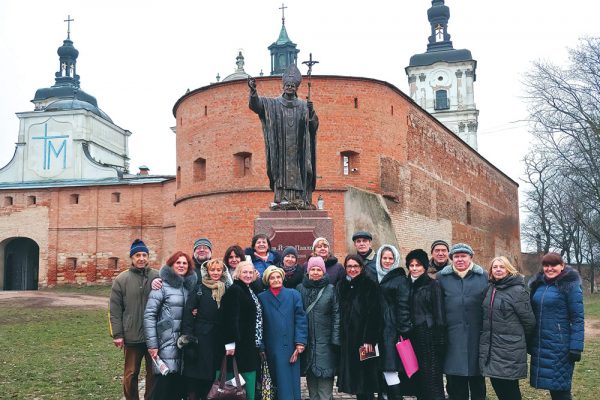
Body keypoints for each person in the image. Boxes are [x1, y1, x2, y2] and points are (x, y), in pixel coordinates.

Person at [248, 63, 319, 208]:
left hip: (299, 150)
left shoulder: (304, 105)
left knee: (306, 169)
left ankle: (301, 199)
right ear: (283, 86)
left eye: (293, 86)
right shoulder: (273, 104)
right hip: (281, 150)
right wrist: (253, 91)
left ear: (296, 88)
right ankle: (281, 199)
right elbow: (257, 106)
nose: (290, 87)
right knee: (280, 173)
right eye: (288, 85)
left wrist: (311, 114)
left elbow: (313, 127)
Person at [529, 252, 584, 400]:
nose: (549, 268)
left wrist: (576, 347)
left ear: (562, 266)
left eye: (553, 265)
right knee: (553, 387)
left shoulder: (570, 286)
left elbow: (578, 318)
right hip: (541, 343)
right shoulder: (538, 285)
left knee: (561, 389)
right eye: (546, 265)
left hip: (560, 345)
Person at [479, 256, 535, 400]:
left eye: (502, 267)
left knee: (510, 391)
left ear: (509, 269)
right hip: (492, 348)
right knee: (498, 386)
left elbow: (529, 322)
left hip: (510, 350)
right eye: (495, 267)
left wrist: (517, 340)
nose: (498, 270)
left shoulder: (517, 291)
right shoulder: (491, 288)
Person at [436, 243, 488, 400]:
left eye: (463, 256)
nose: (460, 259)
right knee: (455, 382)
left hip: (476, 335)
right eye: (456, 256)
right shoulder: (441, 278)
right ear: (451, 259)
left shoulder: (483, 276)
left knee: (477, 380)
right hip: (452, 335)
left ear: (470, 257)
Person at [143, 251, 198, 400]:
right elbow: (149, 315)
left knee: (177, 388)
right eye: (178, 263)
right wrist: (152, 345)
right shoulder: (161, 286)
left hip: (183, 344)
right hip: (165, 343)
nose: (181, 265)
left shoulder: (190, 288)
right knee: (162, 386)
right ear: (171, 265)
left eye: (184, 263)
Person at [109, 239, 159, 400]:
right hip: (132, 336)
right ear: (132, 258)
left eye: (144, 255)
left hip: (154, 338)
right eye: (138, 255)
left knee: (154, 374)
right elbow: (115, 310)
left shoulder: (157, 276)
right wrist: (117, 334)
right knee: (131, 374)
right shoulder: (121, 280)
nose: (141, 258)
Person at [180, 259, 233, 400]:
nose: (215, 273)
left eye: (218, 270)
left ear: (222, 271)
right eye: (212, 270)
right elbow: (188, 314)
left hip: (218, 339)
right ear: (207, 271)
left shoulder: (226, 289)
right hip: (201, 337)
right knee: (196, 377)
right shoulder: (199, 289)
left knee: (212, 377)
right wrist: (189, 340)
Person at [259, 265, 308, 400]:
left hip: (290, 347)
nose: (276, 280)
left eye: (278, 277)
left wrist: (300, 342)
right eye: (272, 278)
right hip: (271, 348)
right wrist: (261, 346)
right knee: (274, 384)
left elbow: (301, 319)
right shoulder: (262, 298)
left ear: (282, 277)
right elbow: (259, 324)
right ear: (267, 280)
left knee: (290, 385)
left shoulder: (293, 294)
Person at [337, 254, 381, 400]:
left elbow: (374, 314)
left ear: (361, 268)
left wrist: (369, 339)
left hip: (364, 340)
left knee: (367, 379)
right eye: (349, 266)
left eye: (355, 266)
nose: (352, 269)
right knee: (356, 380)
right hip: (349, 340)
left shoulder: (369, 284)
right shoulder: (342, 285)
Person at [296, 256, 341, 400]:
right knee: (312, 391)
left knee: (325, 392)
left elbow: (337, 316)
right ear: (308, 271)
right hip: (308, 345)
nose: (315, 272)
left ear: (323, 271)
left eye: (318, 269)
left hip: (326, 345)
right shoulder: (300, 289)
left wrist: (335, 341)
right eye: (312, 269)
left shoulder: (331, 290)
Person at [406, 249, 446, 400]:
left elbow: (439, 313)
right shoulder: (408, 284)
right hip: (413, 336)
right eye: (411, 265)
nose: (415, 268)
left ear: (424, 267)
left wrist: (440, 339)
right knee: (418, 379)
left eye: (418, 265)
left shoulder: (432, 284)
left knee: (432, 380)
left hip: (429, 336)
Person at [220, 261, 263, 400]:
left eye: (251, 272)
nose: (248, 275)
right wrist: (230, 343)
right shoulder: (235, 290)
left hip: (249, 344)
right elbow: (229, 318)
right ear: (238, 273)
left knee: (247, 382)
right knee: (239, 386)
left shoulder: (248, 288)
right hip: (240, 346)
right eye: (245, 272)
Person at [373, 245, 411, 399]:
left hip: (391, 332)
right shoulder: (375, 276)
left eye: (390, 258)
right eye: (384, 258)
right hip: (376, 331)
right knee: (380, 370)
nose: (387, 261)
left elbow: (403, 307)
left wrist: (402, 331)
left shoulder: (400, 279)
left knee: (390, 370)